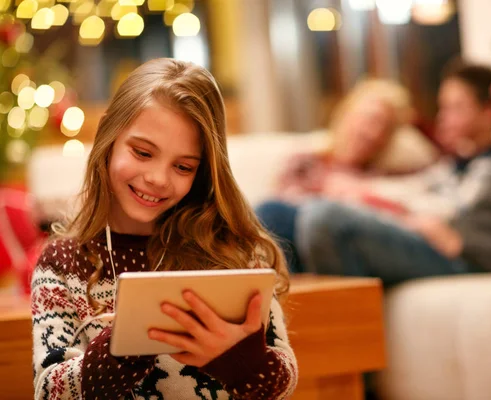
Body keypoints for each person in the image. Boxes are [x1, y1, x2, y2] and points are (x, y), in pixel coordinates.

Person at [30, 59, 297, 399]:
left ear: (202, 173)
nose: (158, 178)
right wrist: (125, 344)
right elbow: (47, 391)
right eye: (142, 153)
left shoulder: (233, 253)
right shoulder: (65, 261)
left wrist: (243, 364)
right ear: (109, 137)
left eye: (183, 166)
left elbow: (283, 380)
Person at [297, 27, 491, 285]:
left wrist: (463, 243)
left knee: (324, 219)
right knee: (282, 216)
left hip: (467, 258)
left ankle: (347, 341)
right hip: (450, 242)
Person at [260, 61, 491, 272]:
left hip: (416, 236)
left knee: (319, 217)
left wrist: (364, 194)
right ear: (347, 114)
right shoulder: (446, 166)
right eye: (368, 119)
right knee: (273, 214)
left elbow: (443, 210)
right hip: (315, 234)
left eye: (384, 128)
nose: (442, 117)